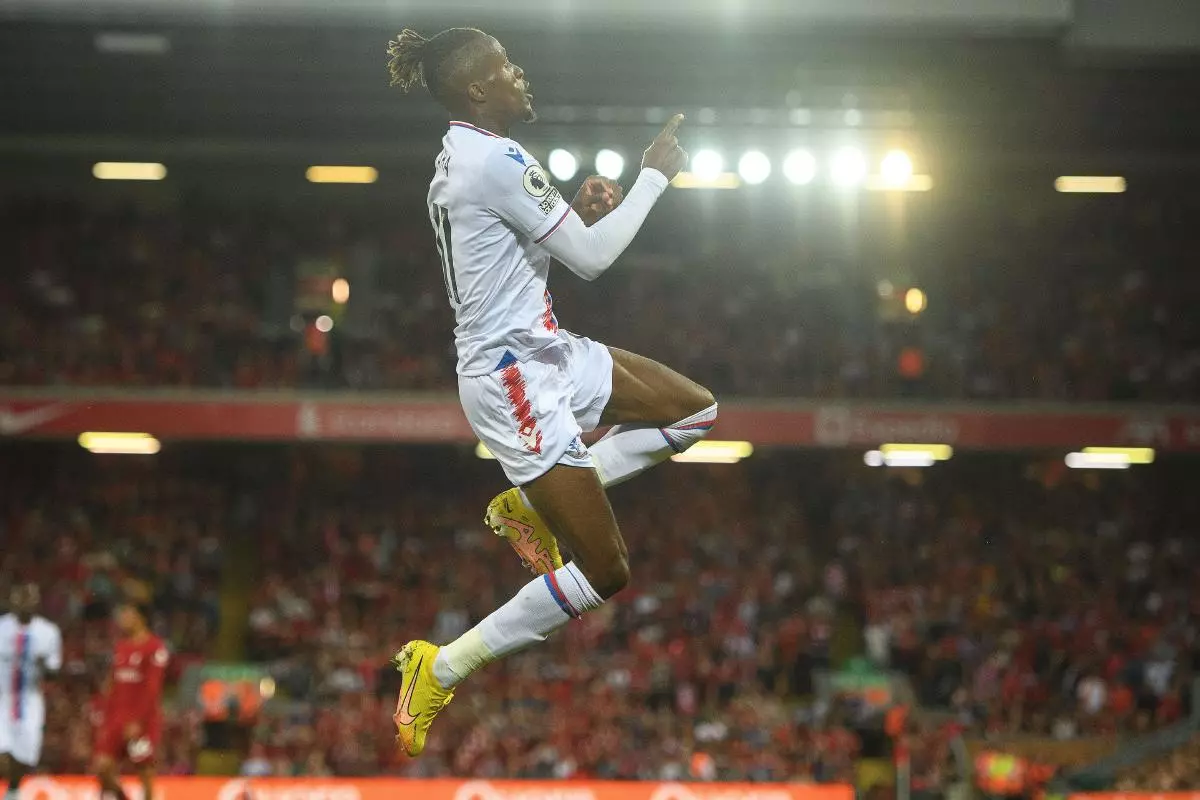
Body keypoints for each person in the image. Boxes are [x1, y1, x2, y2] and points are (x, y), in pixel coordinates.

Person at [384, 27, 718, 757]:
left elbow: (512, 258)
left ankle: (527, 506)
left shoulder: (466, 155)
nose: (518, 73)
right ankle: (439, 665)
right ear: (477, 89)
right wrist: (654, 175)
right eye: (505, 67)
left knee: (696, 411)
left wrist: (568, 216)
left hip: (542, 351)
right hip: (514, 382)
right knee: (606, 570)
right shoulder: (496, 159)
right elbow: (595, 262)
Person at [93, 603, 168, 800]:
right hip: (116, 718)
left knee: (144, 770)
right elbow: (112, 682)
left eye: (127, 614)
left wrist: (138, 721)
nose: (123, 618)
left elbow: (153, 689)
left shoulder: (155, 647)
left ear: (141, 617)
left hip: (142, 721)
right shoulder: (121, 647)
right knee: (102, 766)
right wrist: (104, 712)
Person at [0, 584, 62, 800]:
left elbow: (54, 672)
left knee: (25, 756)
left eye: (29, 598)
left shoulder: (48, 632)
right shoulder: (1, 628)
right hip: (2, 699)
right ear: (11, 600)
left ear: (36, 602)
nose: (23, 602)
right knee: (3, 753)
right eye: (19, 597)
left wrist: (44, 665)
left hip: (30, 701)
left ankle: (13, 790)